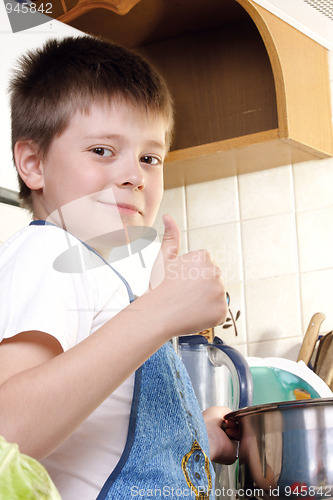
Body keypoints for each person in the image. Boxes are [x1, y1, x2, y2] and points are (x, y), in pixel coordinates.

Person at [0, 35, 237, 499]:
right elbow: (9, 431)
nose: (135, 175)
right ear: (33, 164)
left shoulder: (98, 274)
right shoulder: (46, 254)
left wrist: (195, 435)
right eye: (103, 151)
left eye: (150, 157)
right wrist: (159, 312)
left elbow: (105, 427)